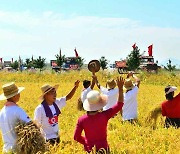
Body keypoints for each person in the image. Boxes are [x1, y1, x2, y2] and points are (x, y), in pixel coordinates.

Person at [74, 76, 124, 153]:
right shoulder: (105, 115)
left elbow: (76, 137)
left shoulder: (81, 120)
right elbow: (119, 105)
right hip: (104, 149)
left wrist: (86, 142)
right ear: (100, 103)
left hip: (89, 150)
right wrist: (120, 89)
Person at [34, 80, 80, 145]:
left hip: (57, 137)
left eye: (55, 92)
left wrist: (75, 87)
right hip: (47, 139)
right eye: (52, 93)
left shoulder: (56, 103)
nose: (55, 94)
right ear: (46, 95)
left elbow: (68, 97)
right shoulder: (40, 109)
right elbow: (36, 125)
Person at [0, 82, 31, 153]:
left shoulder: (1, 112)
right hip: (17, 150)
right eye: (18, 93)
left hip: (6, 150)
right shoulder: (18, 110)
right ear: (14, 96)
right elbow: (30, 124)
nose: (19, 95)